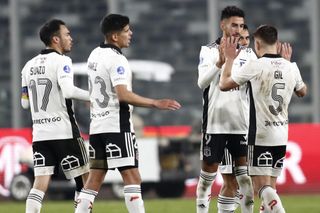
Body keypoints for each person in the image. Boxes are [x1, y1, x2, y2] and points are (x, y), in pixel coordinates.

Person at [75, 14, 181, 213]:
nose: (130, 33)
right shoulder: (118, 60)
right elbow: (123, 95)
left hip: (97, 128)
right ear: (115, 36)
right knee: (133, 178)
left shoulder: (94, 55)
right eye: (126, 30)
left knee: (93, 181)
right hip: (117, 126)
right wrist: (155, 103)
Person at [219, 25, 307, 213]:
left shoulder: (255, 65)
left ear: (257, 44)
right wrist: (287, 65)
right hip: (281, 136)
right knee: (271, 189)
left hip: (260, 136)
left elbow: (224, 85)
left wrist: (229, 60)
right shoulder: (291, 67)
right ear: (277, 43)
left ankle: (280, 210)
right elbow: (302, 91)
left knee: (261, 188)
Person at [21, 19, 90, 213]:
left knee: (40, 183)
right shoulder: (62, 61)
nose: (71, 38)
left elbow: (24, 103)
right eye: (67, 34)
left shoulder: (27, 67)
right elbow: (68, 91)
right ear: (55, 39)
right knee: (85, 181)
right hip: (65, 132)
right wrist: (93, 96)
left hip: (41, 134)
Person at [196, 6, 255, 213]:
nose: (238, 29)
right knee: (207, 181)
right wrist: (219, 63)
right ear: (223, 25)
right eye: (234, 25)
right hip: (215, 124)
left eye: (241, 25)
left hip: (241, 126)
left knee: (244, 181)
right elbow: (202, 83)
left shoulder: (249, 54)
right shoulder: (209, 50)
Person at [218, 23, 252, 212]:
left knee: (246, 179)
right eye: (241, 38)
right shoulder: (223, 58)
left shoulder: (252, 59)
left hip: (246, 126)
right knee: (230, 180)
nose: (245, 42)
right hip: (227, 125)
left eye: (248, 38)